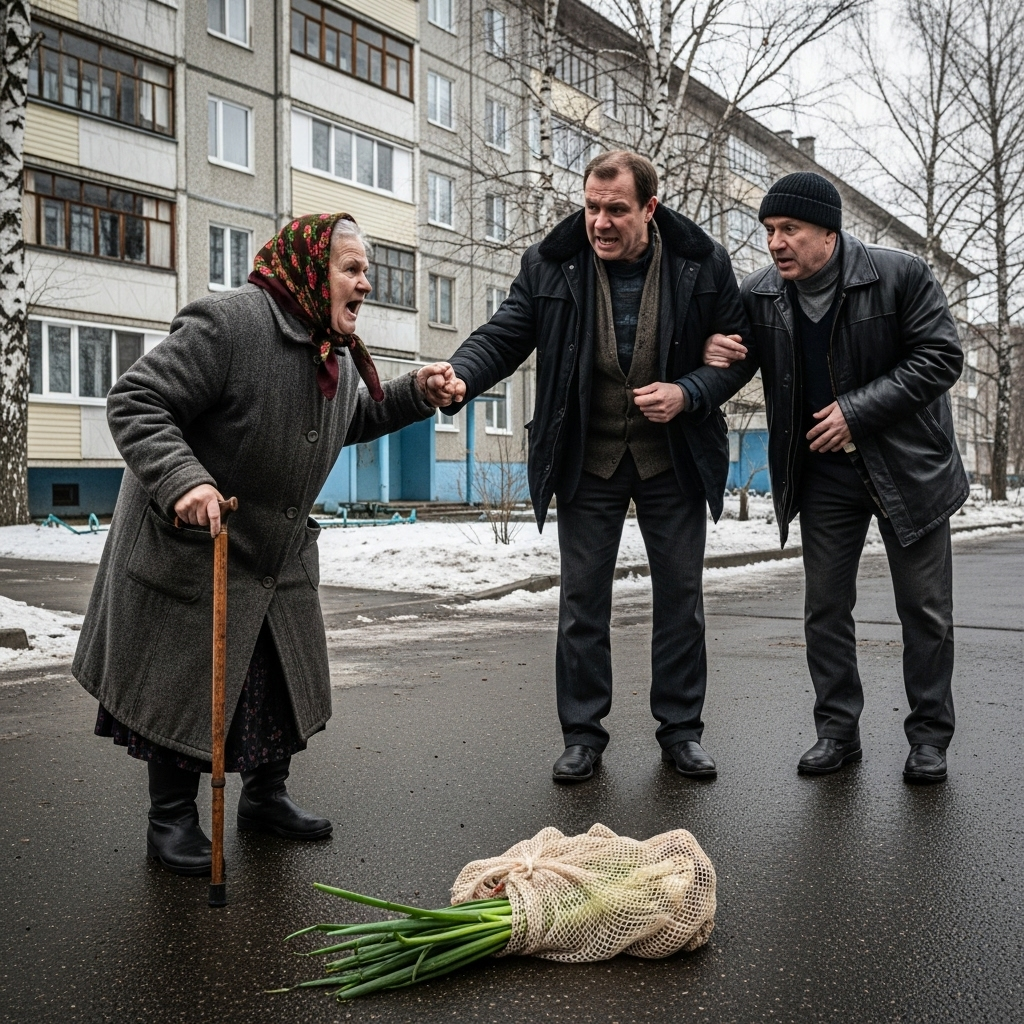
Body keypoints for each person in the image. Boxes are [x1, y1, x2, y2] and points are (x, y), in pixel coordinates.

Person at [73, 213, 459, 875]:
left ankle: (265, 798)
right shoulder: (230, 325)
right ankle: (170, 820)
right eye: (352, 269)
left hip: (273, 551)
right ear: (310, 271)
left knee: (271, 680)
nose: (366, 283)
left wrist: (416, 392)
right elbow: (136, 399)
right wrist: (182, 479)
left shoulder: (330, 347)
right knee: (187, 685)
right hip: (195, 546)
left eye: (366, 271)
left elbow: (352, 416)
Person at [444, 151, 748, 782]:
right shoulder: (550, 264)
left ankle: (681, 732)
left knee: (681, 599)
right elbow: (504, 334)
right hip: (589, 456)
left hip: (674, 459)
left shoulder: (702, 262)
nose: (601, 223)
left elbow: (739, 355)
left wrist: (689, 391)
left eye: (616, 210)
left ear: (649, 208)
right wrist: (461, 376)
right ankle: (582, 735)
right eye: (591, 208)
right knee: (583, 601)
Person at [684, 172, 968, 784]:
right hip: (822, 474)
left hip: (908, 468)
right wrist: (707, 360)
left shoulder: (899, 275)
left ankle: (928, 738)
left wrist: (855, 412)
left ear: (829, 233)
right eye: (769, 230)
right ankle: (837, 732)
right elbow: (733, 362)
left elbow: (941, 357)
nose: (775, 243)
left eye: (789, 229)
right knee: (826, 609)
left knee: (925, 609)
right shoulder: (761, 293)